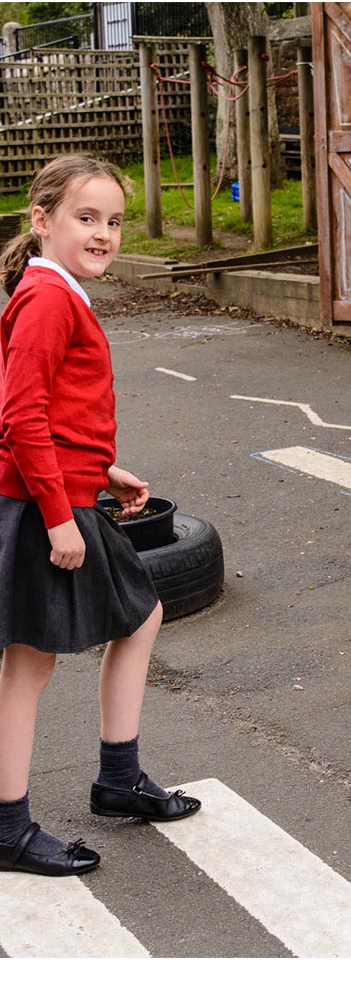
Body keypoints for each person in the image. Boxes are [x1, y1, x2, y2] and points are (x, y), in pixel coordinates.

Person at [0, 156, 201, 878]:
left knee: (138, 616)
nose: (104, 234)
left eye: (113, 221)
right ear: (42, 220)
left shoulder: (56, 292)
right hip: (42, 504)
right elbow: (19, 414)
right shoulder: (48, 299)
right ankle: (8, 827)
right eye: (86, 219)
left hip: (69, 489)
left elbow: (51, 410)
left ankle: (119, 779)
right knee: (29, 662)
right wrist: (59, 515)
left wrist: (101, 468)